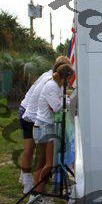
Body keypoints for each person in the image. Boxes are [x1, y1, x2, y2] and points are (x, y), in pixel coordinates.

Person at [18, 56, 70, 196]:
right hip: (32, 116)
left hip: (34, 116)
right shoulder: (50, 83)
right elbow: (55, 106)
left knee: (39, 155)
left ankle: (28, 180)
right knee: (35, 153)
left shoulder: (50, 77)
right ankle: (30, 185)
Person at [27, 63, 74, 204]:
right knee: (48, 164)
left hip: (45, 126)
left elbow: (62, 102)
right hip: (45, 127)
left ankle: (37, 194)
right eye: (69, 79)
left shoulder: (56, 86)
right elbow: (57, 107)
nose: (69, 82)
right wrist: (65, 100)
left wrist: (65, 99)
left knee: (43, 162)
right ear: (64, 76)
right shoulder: (51, 86)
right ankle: (37, 195)